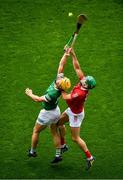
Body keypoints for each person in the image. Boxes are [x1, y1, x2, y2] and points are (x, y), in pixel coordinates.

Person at [25, 50, 71, 163]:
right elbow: (61, 66)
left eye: (62, 80)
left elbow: (38, 99)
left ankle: (32, 151)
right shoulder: (59, 83)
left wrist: (29, 93)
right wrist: (66, 55)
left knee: (36, 131)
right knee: (54, 131)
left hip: (47, 113)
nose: (60, 78)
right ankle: (58, 154)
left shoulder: (53, 94)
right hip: (56, 111)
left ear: (60, 86)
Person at [58, 48, 96, 170]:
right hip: (72, 109)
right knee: (58, 123)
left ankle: (90, 157)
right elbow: (77, 68)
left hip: (75, 115)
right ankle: (63, 145)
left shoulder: (80, 94)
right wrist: (73, 54)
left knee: (75, 138)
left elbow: (66, 97)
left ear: (86, 85)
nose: (83, 79)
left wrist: (61, 86)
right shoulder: (84, 84)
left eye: (85, 80)